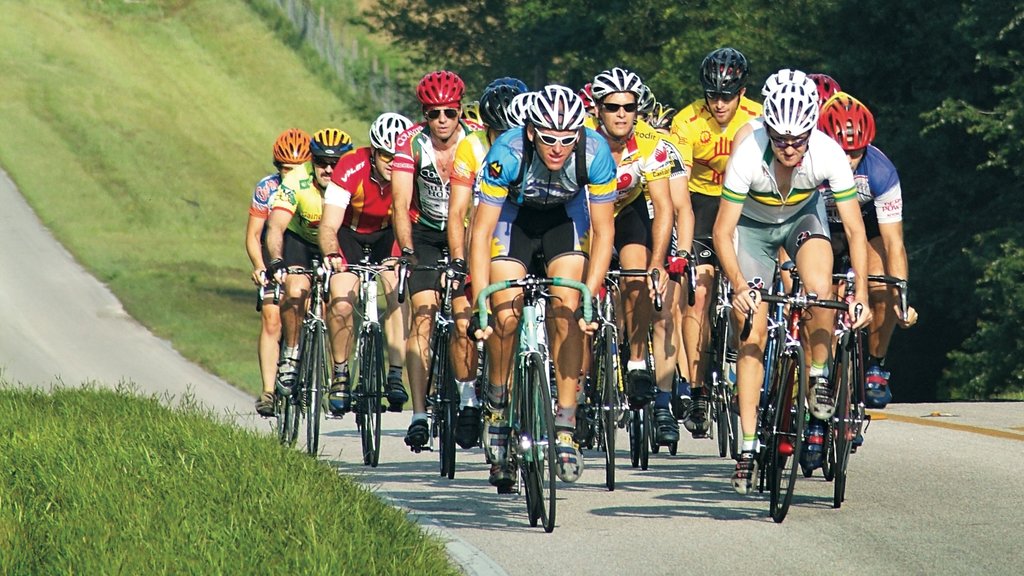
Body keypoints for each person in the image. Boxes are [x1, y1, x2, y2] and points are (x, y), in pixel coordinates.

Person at [712, 77, 873, 495]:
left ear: (810, 131)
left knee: (821, 292)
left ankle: (818, 375)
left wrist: (862, 297)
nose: (788, 149)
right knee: (753, 328)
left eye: (797, 140)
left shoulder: (828, 153)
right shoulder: (748, 152)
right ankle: (748, 447)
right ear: (769, 129)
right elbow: (722, 231)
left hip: (802, 220)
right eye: (781, 139)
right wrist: (740, 286)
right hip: (750, 231)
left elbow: (855, 233)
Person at [470, 85, 617, 489]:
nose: (558, 147)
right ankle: (498, 404)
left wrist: (592, 293)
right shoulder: (508, 152)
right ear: (531, 132)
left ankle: (565, 420)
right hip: (513, 220)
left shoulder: (595, 152)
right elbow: (481, 233)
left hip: (563, 221)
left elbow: (604, 231)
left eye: (567, 139)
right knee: (504, 311)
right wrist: (481, 300)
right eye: (549, 138)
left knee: (568, 306)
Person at [669, 47, 762, 438]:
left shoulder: (758, 117)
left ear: (742, 91)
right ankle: (696, 385)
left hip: (746, 200)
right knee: (700, 291)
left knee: (750, 285)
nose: (720, 103)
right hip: (703, 202)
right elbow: (681, 190)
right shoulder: (687, 121)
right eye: (713, 95)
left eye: (728, 95)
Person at [391, 70, 478, 449]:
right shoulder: (409, 144)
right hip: (424, 232)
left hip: (468, 228)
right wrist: (408, 252)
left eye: (449, 112)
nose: (442, 120)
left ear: (460, 112)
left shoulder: (475, 140)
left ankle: (470, 399)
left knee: (464, 319)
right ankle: (420, 413)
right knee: (423, 317)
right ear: (423, 114)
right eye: (433, 113)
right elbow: (398, 204)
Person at [588, 69, 675, 444]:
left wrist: (659, 263)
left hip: (629, 214)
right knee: (581, 293)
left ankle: (637, 360)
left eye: (628, 107)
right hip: (589, 214)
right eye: (612, 107)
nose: (621, 114)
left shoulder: (651, 146)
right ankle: (583, 385)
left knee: (637, 277)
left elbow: (665, 207)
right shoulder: (583, 142)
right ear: (598, 110)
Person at [818, 92, 918, 409]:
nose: (847, 159)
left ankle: (875, 364)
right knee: (823, 293)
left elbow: (894, 243)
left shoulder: (881, 171)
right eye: (841, 151)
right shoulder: (810, 163)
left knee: (883, 285)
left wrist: (901, 297)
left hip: (868, 223)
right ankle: (821, 373)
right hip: (826, 226)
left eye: (855, 151)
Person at [447, 77, 528, 448]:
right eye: (496, 131)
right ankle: (467, 399)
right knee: (464, 314)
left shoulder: (536, 144)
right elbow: (458, 212)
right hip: (477, 234)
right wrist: (461, 262)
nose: (503, 140)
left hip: (518, 236)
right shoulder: (471, 147)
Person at [318, 114, 414, 416]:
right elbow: (328, 225)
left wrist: (401, 255)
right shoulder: (351, 165)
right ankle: (341, 374)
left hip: (389, 235)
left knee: (397, 288)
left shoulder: (411, 169)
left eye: (396, 155)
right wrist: (333, 254)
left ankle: (396, 374)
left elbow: (410, 221)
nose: (391, 161)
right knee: (343, 299)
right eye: (385, 154)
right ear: (373, 152)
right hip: (349, 236)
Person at [265, 128, 352, 395]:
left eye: (335, 163)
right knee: (294, 290)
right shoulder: (296, 179)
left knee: (343, 299)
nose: (328, 169)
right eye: (320, 162)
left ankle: (339, 371)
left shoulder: (352, 179)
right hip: (300, 242)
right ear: (310, 161)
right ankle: (291, 354)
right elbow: (276, 226)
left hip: (338, 242)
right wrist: (277, 261)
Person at [246, 128, 310, 416]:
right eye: (285, 169)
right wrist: (259, 266)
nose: (290, 175)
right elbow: (253, 234)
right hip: (273, 260)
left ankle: (310, 373)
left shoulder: (314, 186)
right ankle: (269, 391)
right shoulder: (267, 188)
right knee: (272, 319)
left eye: (296, 169)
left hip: (305, 256)